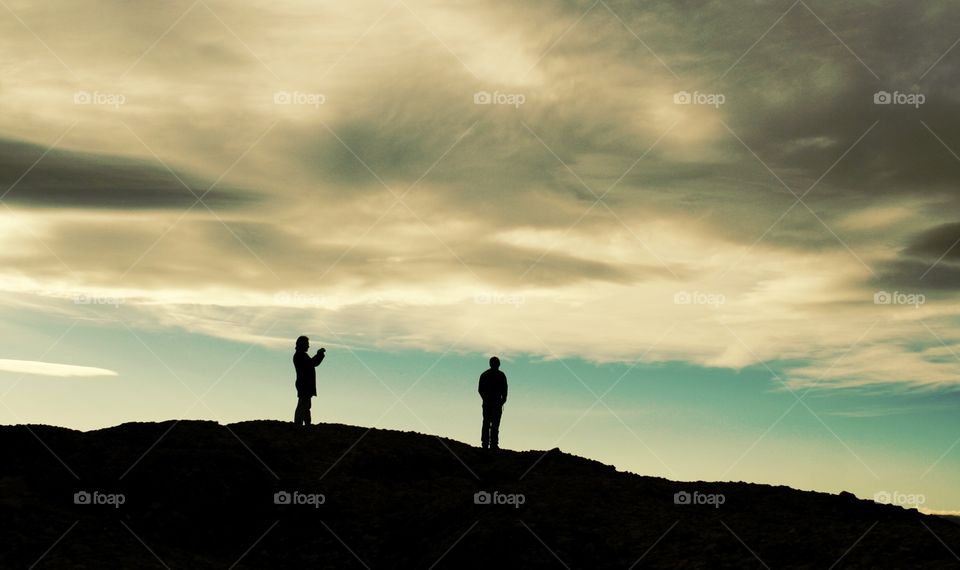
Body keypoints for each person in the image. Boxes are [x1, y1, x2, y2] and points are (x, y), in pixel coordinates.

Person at [293, 335, 326, 426]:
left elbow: (312, 364)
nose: (308, 346)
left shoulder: (301, 355)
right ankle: (299, 425)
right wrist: (319, 354)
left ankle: (306, 424)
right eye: (307, 344)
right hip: (304, 385)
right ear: (302, 344)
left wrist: (319, 355)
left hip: (304, 384)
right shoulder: (300, 355)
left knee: (306, 405)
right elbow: (312, 364)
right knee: (303, 405)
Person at [478, 356, 508, 450]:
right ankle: (493, 444)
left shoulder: (484, 375)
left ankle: (485, 444)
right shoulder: (501, 375)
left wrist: (485, 399)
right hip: (495, 404)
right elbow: (505, 390)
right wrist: (502, 401)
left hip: (488, 403)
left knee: (487, 423)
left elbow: (480, 390)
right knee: (494, 424)